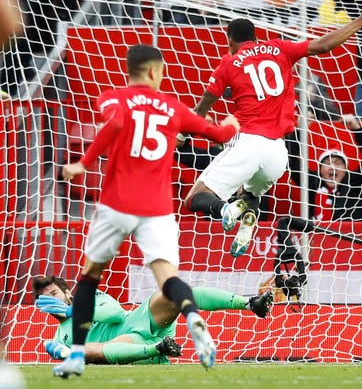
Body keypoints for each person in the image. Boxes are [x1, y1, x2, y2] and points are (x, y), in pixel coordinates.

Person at [56, 44, 240, 378]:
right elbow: (217, 135)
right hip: (156, 208)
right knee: (168, 279)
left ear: (132, 70)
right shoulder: (173, 108)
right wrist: (228, 125)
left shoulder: (111, 99)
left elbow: (112, 126)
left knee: (89, 277)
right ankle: (192, 316)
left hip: (117, 203)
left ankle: (77, 355)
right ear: (155, 71)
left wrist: (83, 163)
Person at [185, 0, 362, 258]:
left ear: (230, 40)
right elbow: (324, 45)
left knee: (195, 198)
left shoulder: (229, 62)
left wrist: (187, 126)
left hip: (250, 141)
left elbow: (203, 106)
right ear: (255, 37)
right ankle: (247, 220)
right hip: (278, 154)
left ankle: (226, 210)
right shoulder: (280, 48)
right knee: (249, 191)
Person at [32, 275, 272, 365]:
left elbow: (115, 313)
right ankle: (158, 348)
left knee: (171, 293)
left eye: (54, 294)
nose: (51, 300)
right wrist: (58, 351)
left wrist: (76, 313)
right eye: (45, 299)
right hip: (128, 345)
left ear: (67, 293)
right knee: (83, 351)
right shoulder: (59, 336)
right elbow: (66, 354)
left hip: (136, 321)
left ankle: (250, 303)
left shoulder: (90, 297)